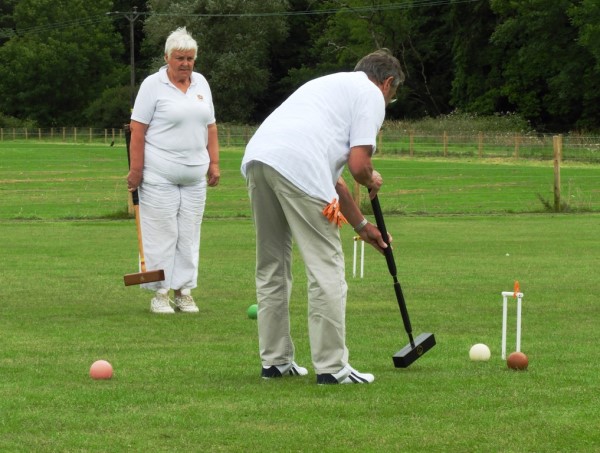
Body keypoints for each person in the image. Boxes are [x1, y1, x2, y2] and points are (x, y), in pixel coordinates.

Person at [241, 49, 404, 384]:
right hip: (297, 166)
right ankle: (332, 368)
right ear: (387, 83)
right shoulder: (371, 95)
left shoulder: (331, 87)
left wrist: (363, 226)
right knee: (325, 266)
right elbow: (358, 167)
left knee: (271, 265)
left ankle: (275, 362)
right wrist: (371, 178)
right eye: (393, 95)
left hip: (259, 159)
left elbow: (336, 181)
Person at [127, 27, 220, 314]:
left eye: (190, 58)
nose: (186, 63)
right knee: (162, 233)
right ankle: (161, 293)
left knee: (189, 234)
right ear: (167, 57)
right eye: (180, 57)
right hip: (159, 174)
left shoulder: (201, 83)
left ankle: (184, 291)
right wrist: (136, 170)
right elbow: (137, 130)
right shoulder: (152, 85)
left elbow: (211, 126)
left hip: (194, 175)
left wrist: (214, 162)